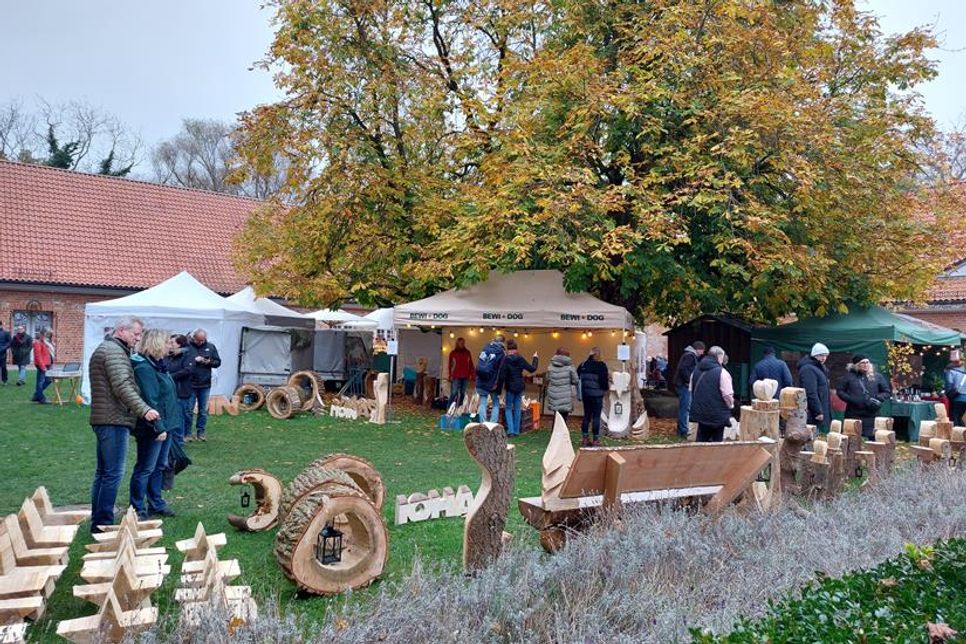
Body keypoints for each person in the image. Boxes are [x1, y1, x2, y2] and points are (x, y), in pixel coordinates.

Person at [89, 317, 158, 533]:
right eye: (135, 334)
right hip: (113, 420)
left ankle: (99, 519)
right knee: (112, 473)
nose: (138, 338)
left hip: (105, 418)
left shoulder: (110, 349)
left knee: (103, 473)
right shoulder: (114, 352)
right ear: (121, 330)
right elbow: (122, 386)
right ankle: (103, 524)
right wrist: (144, 409)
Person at [130, 329, 179, 519]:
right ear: (157, 343)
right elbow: (151, 399)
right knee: (145, 468)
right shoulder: (144, 367)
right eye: (167, 342)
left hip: (167, 424)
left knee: (159, 466)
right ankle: (137, 507)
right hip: (153, 426)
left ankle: (156, 503)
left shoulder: (158, 365)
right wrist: (158, 427)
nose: (170, 345)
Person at [836, 354, 892, 439]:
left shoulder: (877, 376)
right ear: (856, 364)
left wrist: (877, 398)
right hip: (853, 413)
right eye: (863, 363)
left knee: (874, 438)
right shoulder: (848, 377)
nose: (866, 365)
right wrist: (852, 400)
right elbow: (840, 391)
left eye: (867, 362)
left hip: (872, 413)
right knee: (852, 438)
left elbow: (887, 392)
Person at [689, 346, 734, 442]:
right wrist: (730, 406)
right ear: (718, 356)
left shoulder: (696, 370)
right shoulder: (722, 372)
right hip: (717, 415)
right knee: (716, 443)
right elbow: (727, 395)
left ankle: (698, 456)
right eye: (722, 357)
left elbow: (690, 389)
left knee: (701, 440)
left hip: (700, 412)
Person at [183, 328, 221, 442]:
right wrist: (193, 361)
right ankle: (187, 433)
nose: (200, 342)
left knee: (203, 411)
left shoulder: (210, 346)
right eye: (198, 340)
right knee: (188, 410)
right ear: (193, 338)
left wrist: (207, 361)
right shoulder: (187, 347)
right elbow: (182, 361)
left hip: (205, 383)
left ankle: (201, 432)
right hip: (190, 383)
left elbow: (218, 362)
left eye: (202, 340)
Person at [500, 340, 538, 437]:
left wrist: (499, 387)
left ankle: (510, 431)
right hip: (519, 385)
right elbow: (532, 369)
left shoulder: (506, 359)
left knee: (508, 408)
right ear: (516, 348)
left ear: (508, 348)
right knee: (517, 408)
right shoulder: (520, 358)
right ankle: (516, 431)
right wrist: (535, 358)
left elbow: (502, 374)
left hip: (509, 386)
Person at [163, 334, 192, 449]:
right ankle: (172, 441)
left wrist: (170, 376)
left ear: (179, 344)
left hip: (181, 391)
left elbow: (188, 370)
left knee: (179, 416)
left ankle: (179, 442)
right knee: (170, 416)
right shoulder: (168, 355)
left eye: (172, 343)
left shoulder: (187, 355)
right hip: (169, 390)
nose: (170, 345)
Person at [577, 347, 610, 447]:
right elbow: (604, 382)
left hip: (586, 394)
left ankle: (585, 439)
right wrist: (605, 389)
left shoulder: (583, 365)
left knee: (586, 416)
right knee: (596, 417)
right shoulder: (601, 366)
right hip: (597, 395)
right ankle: (595, 440)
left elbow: (577, 376)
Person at [797, 343, 832, 434]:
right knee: (810, 439)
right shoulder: (808, 369)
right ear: (814, 355)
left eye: (826, 355)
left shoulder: (819, 369)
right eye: (821, 355)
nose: (824, 358)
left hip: (816, 411)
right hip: (811, 414)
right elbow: (810, 392)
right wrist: (817, 411)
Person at [672, 341, 705, 438]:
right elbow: (684, 369)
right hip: (684, 385)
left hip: (681, 384)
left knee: (684, 408)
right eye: (702, 351)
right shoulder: (690, 356)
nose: (702, 353)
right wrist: (689, 381)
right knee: (685, 408)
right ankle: (683, 430)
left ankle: (681, 429)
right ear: (698, 349)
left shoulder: (688, 355)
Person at [475, 335, 506, 423]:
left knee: (483, 403)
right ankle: (492, 423)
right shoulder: (501, 353)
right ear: (503, 342)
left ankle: (483, 423)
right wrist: (497, 383)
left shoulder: (485, 347)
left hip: (481, 380)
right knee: (495, 403)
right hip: (493, 382)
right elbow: (500, 370)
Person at [546, 347, 578, 421]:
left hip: (553, 394)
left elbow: (547, 379)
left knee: (556, 415)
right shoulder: (570, 367)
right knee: (564, 417)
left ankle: (554, 431)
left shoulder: (550, 366)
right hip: (565, 395)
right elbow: (576, 380)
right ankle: (562, 431)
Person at [447, 337, 474, 407]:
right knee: (454, 393)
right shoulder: (453, 353)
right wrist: (450, 375)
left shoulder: (467, 352)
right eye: (460, 342)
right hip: (456, 375)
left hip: (465, 376)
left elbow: (470, 364)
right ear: (457, 343)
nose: (462, 344)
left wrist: (472, 374)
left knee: (462, 393)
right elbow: (450, 365)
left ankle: (459, 408)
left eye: (463, 342)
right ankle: (449, 408)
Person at [31, 330, 52, 404]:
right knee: (40, 382)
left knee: (49, 380)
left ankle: (37, 395)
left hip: (47, 364)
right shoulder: (38, 343)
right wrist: (42, 366)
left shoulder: (45, 343)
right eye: (47, 335)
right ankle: (41, 398)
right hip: (42, 364)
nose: (48, 337)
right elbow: (38, 356)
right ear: (42, 335)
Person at [944, 355, 966, 426]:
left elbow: (949, 384)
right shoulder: (964, 371)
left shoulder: (950, 371)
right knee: (959, 417)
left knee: (954, 417)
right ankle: (961, 435)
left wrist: (947, 394)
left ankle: (956, 435)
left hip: (957, 398)